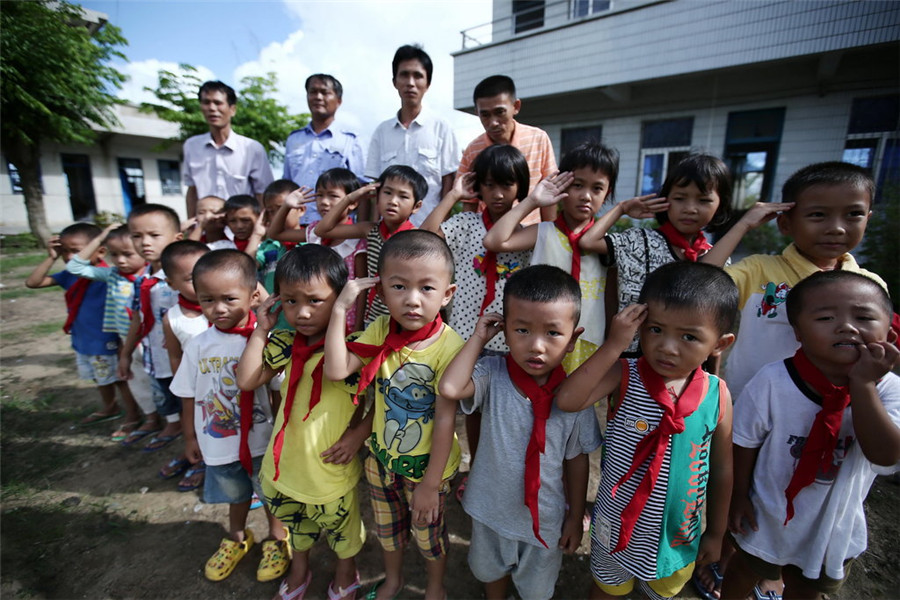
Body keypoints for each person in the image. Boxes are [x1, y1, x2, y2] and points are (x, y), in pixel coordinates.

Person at [694, 161, 887, 600]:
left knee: (796, 503)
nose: (835, 228)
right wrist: (743, 222)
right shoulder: (761, 272)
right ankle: (724, 558)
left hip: (824, 422)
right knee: (734, 493)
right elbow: (701, 282)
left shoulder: (867, 286)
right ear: (786, 220)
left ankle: (773, 571)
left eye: (853, 214)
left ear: (868, 218)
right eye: (818, 214)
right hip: (748, 415)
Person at [555, 261, 737, 600]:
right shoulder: (624, 375)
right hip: (615, 523)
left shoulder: (718, 395)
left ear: (719, 343)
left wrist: (716, 532)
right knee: (606, 589)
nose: (668, 346)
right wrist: (613, 344)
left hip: (677, 534)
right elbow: (567, 399)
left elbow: (723, 470)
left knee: (661, 593)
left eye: (689, 336)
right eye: (656, 329)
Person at [721, 271, 900, 600]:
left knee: (806, 590)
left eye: (863, 316)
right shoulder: (774, 381)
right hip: (766, 515)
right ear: (799, 332)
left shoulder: (889, 389)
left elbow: (886, 454)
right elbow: (743, 442)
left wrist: (862, 385)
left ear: (888, 332)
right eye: (826, 317)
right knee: (743, 571)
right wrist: (739, 496)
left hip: (832, 528)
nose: (846, 326)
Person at [439, 265, 602, 600]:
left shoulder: (574, 396)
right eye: (522, 330)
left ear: (573, 339)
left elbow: (576, 461)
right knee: (489, 571)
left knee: (537, 589)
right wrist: (479, 337)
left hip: (544, 518)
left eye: (553, 333)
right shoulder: (492, 375)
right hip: (490, 510)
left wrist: (574, 516)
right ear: (505, 330)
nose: (536, 346)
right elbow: (451, 387)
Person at [323, 230, 463, 600]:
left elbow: (446, 419)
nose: (412, 300)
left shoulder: (451, 347)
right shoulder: (381, 328)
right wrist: (340, 308)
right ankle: (394, 580)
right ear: (382, 292)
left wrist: (431, 485)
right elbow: (338, 369)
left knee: (429, 537)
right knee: (389, 531)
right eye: (399, 287)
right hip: (381, 461)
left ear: (447, 294)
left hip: (426, 470)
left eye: (427, 289)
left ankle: (435, 588)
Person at [236, 245, 371, 600]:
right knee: (298, 525)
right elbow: (248, 380)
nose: (302, 312)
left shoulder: (356, 347)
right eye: (291, 301)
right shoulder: (282, 342)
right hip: (286, 466)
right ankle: (300, 566)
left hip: (329, 466)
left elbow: (380, 399)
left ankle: (346, 570)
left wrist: (360, 433)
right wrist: (260, 329)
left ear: (341, 300)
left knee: (343, 529)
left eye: (315, 300)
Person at [169, 249, 288, 583]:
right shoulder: (198, 345)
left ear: (253, 296)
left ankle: (277, 538)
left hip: (261, 441)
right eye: (208, 300)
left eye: (228, 299)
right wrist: (190, 437)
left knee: (269, 495)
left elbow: (277, 390)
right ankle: (237, 537)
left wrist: (282, 432)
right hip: (217, 442)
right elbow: (188, 394)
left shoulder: (264, 342)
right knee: (235, 494)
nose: (218, 309)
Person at [484, 142, 649, 365]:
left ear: (607, 193)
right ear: (562, 186)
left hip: (589, 339)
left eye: (597, 188)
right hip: (541, 339)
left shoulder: (607, 243)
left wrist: (612, 342)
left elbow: (612, 295)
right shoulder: (544, 232)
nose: (586, 196)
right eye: (578, 185)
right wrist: (533, 201)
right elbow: (494, 241)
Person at [575, 153, 731, 355]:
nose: (690, 209)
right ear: (666, 201)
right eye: (680, 198)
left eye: (703, 200)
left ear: (720, 205)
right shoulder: (638, 241)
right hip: (629, 359)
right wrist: (621, 208)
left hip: (681, 360)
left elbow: (715, 322)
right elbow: (588, 241)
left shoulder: (717, 256)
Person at [26, 223, 134, 428]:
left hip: (106, 338)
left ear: (101, 251)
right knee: (100, 377)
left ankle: (132, 416)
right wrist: (52, 256)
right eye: (65, 251)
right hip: (83, 338)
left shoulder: (109, 274)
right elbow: (33, 282)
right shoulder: (69, 275)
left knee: (120, 379)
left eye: (75, 251)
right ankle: (110, 407)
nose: (69, 257)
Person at [64, 223, 157, 441]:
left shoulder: (152, 273)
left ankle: (170, 419)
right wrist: (100, 238)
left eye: (127, 254)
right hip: (125, 338)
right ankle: (151, 417)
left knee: (158, 379)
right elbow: (74, 268)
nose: (121, 260)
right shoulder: (112, 274)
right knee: (135, 379)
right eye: (115, 254)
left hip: (152, 337)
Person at [314, 165, 426, 325]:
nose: (393, 201)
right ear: (376, 197)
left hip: (403, 317)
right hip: (373, 317)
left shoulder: (415, 238)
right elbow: (322, 230)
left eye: (403, 196)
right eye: (387, 193)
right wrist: (350, 198)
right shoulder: (370, 230)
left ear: (416, 206)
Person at [365, 44, 459, 227]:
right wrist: (374, 232)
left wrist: (441, 228)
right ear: (394, 81)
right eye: (404, 75)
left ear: (428, 83)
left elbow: (449, 184)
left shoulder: (442, 128)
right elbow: (375, 187)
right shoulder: (381, 131)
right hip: (387, 234)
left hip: (427, 229)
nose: (410, 82)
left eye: (418, 76)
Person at [116, 204, 184, 450]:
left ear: (177, 238)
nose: (145, 242)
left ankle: (188, 438)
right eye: (137, 236)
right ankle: (172, 424)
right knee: (163, 393)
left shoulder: (183, 277)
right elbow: (137, 317)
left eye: (154, 236)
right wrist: (125, 354)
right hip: (154, 354)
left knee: (186, 398)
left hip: (181, 355)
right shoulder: (141, 278)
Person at [269, 168, 367, 332]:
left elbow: (361, 288)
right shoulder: (315, 232)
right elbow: (275, 233)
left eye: (333, 196)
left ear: (353, 202)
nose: (324, 202)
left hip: (346, 321)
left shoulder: (356, 238)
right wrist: (286, 206)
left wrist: (358, 327)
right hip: (315, 318)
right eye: (320, 195)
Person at [457, 75, 558, 224]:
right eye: (485, 115)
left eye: (499, 112)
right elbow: (470, 201)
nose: (493, 123)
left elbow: (550, 193)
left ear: (516, 107)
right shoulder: (472, 150)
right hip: (487, 235)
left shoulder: (538, 139)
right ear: (477, 112)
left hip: (529, 235)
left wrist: (551, 238)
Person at [157, 240, 211, 489]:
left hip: (236, 384)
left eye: (206, 273)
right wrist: (183, 386)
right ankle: (199, 459)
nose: (202, 283)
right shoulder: (173, 319)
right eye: (192, 278)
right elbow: (175, 356)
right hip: (198, 390)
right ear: (171, 284)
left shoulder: (234, 307)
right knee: (199, 427)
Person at [283, 74, 366, 224]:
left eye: (325, 92)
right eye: (313, 92)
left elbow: (363, 190)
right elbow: (287, 186)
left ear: (338, 101)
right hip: (297, 226)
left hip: (335, 228)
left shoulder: (350, 140)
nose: (318, 97)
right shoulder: (294, 139)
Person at [183, 80, 274, 217]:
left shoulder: (252, 149)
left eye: (218, 103)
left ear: (232, 109)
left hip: (241, 229)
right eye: (206, 102)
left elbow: (262, 194)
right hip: (206, 228)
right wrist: (191, 226)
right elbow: (192, 190)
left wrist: (263, 228)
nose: (212, 108)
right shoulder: (191, 146)